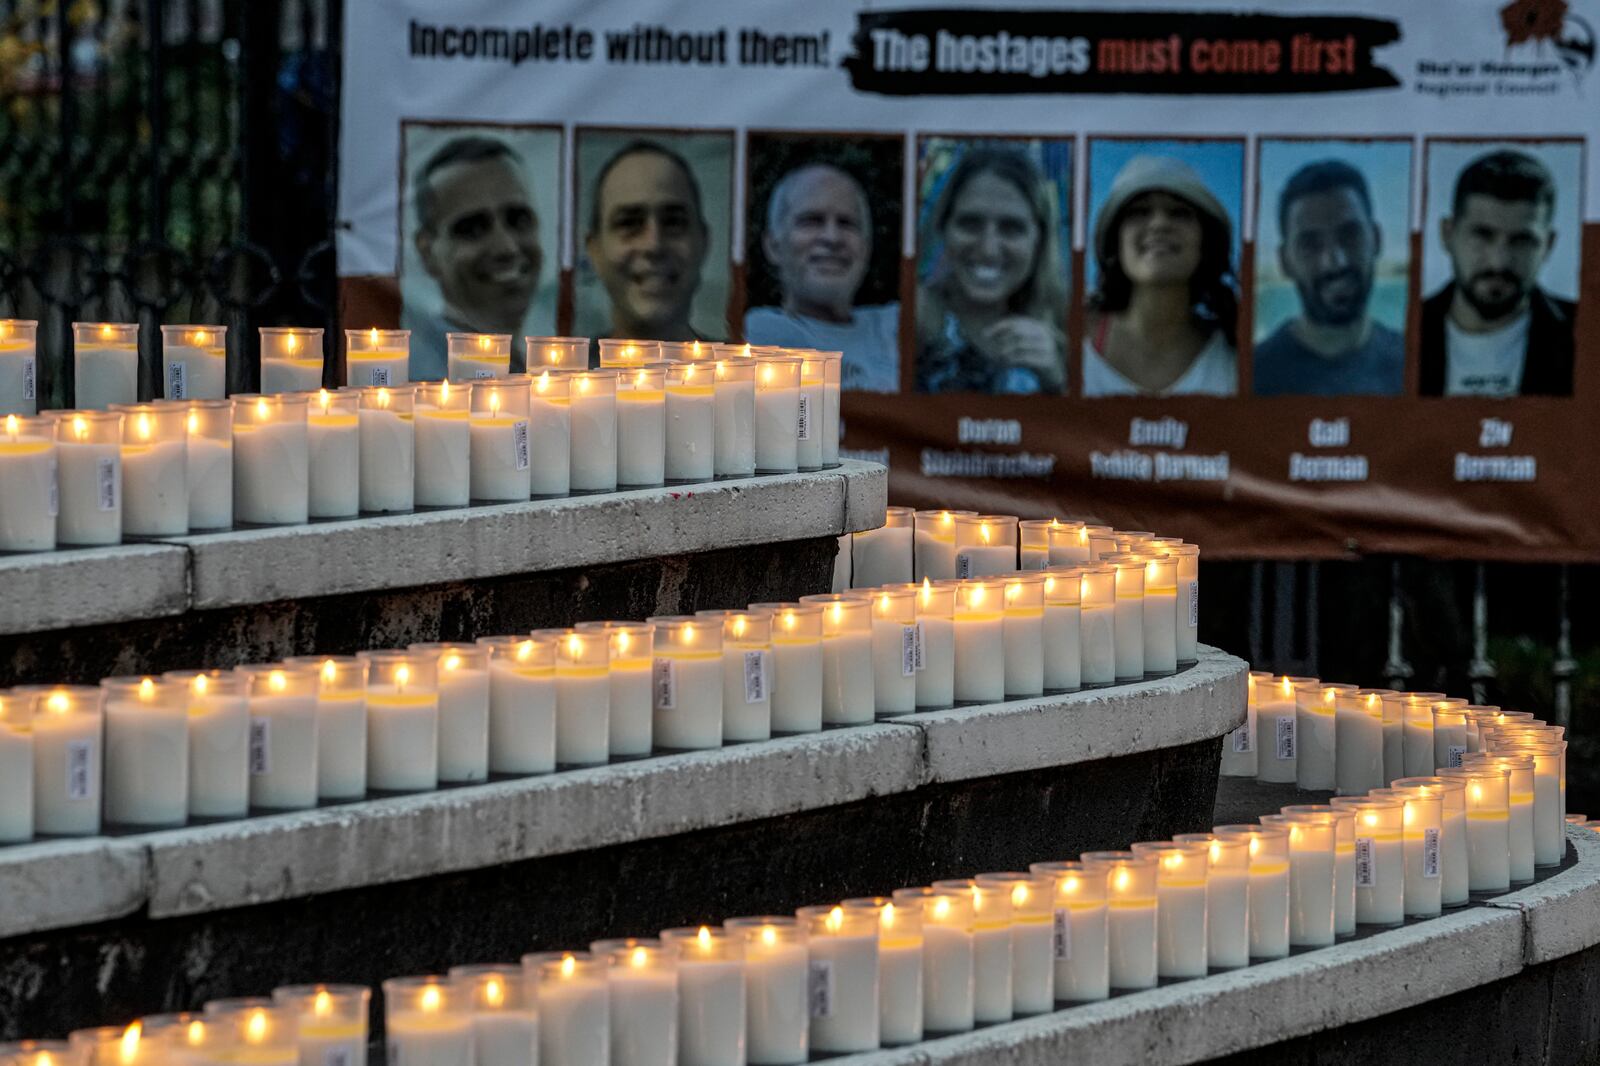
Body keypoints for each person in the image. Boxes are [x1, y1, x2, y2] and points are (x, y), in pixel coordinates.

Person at [914, 146, 1068, 394]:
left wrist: (1057, 382)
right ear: (944, 227)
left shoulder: (1071, 333)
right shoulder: (912, 317)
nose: (988, 249)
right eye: (970, 224)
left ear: (1038, 240)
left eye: (1011, 228)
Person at [1420, 149, 1574, 397]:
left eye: (1522, 241)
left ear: (1549, 245)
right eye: (1482, 235)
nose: (1499, 262)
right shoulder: (1402, 338)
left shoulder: (1587, 337)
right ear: (1448, 234)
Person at [1082, 154, 1238, 397]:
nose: (1159, 224)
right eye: (1140, 212)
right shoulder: (1072, 342)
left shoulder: (1235, 356)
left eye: (1179, 213)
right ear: (1116, 241)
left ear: (1206, 242)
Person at [745, 163, 900, 392]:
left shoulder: (895, 325)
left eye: (846, 223)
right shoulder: (756, 334)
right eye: (811, 221)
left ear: (866, 249)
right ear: (774, 247)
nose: (832, 237)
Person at [1255, 159, 1404, 396]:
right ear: (1285, 261)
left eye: (1349, 235)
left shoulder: (1412, 362)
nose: (1335, 262)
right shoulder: (1253, 376)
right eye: (1310, 244)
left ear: (1376, 239)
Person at [406, 135, 543, 380]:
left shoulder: (535, 363)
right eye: (473, 229)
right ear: (427, 251)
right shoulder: (418, 383)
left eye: (518, 219)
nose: (507, 248)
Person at [586, 140, 713, 343]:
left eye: (673, 222)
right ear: (594, 250)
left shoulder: (747, 373)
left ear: (704, 242)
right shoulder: (562, 372)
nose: (654, 245)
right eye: (629, 223)